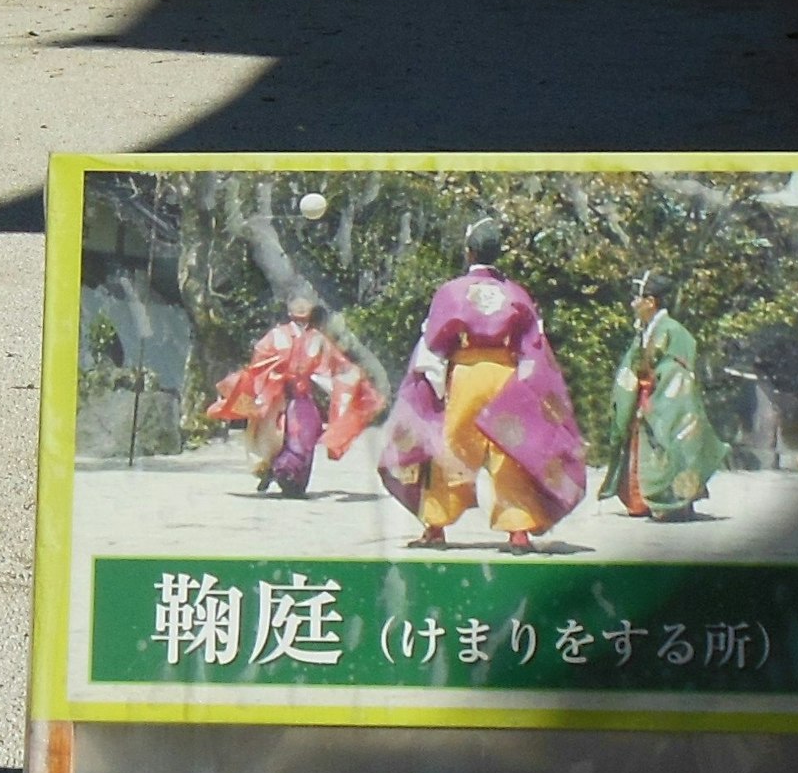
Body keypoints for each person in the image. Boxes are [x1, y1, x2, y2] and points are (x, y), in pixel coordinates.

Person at [377, 217, 590, 551]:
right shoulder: (516, 293)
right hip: (507, 373)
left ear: (469, 251)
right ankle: (518, 530)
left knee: (450, 444)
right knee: (510, 449)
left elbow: (433, 343)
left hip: (466, 371)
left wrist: (429, 385)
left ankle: (435, 526)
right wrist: (531, 385)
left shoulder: (452, 292)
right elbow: (535, 342)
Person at [204, 291, 380, 497]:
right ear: (288, 310)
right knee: (270, 439)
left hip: (301, 396)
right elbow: (258, 365)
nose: (301, 308)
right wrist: (272, 377)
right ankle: (275, 470)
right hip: (275, 397)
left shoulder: (318, 339)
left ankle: (290, 476)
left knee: (305, 432)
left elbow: (338, 366)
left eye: (305, 303)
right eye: (296, 303)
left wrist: (354, 377)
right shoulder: (275, 336)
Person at [604, 274, 727, 520]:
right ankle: (643, 501)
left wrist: (651, 386)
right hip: (646, 398)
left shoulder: (673, 331)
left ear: (650, 301)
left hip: (667, 402)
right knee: (644, 450)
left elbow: (676, 372)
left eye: (636, 298)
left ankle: (675, 502)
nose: (632, 304)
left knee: (673, 445)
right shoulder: (646, 331)